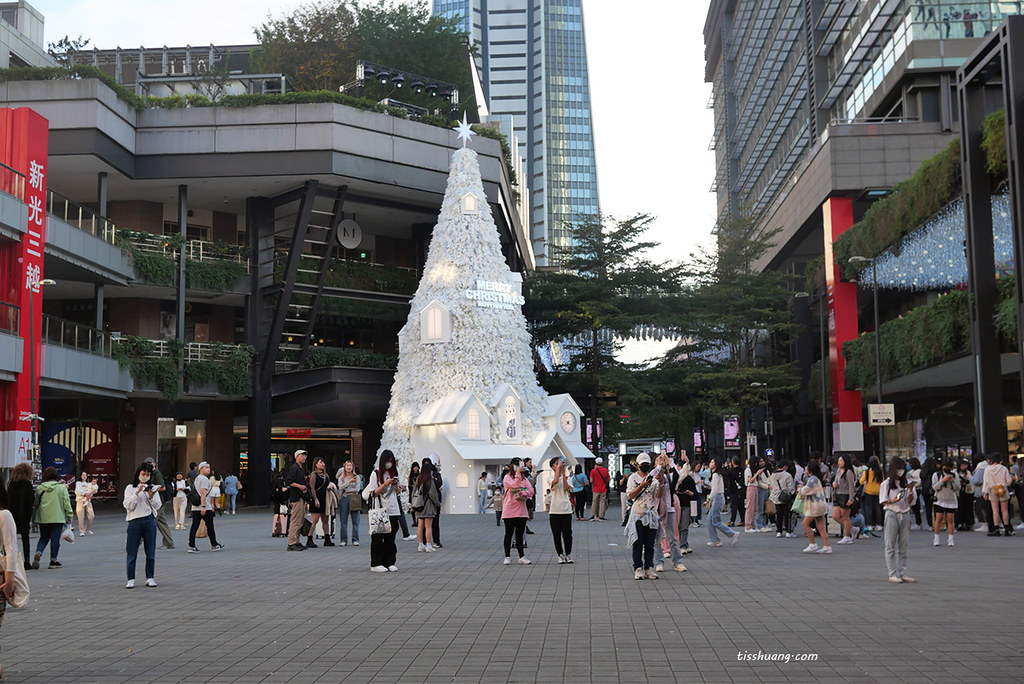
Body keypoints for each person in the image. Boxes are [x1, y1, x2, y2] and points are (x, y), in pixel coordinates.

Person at [363, 450, 403, 572]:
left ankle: (390, 561)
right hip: (380, 510)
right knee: (378, 538)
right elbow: (373, 493)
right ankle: (376, 563)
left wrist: (396, 486)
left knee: (391, 538)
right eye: (387, 461)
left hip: (393, 510)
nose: (389, 464)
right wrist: (385, 484)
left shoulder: (394, 473)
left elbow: (397, 493)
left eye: (391, 462)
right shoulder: (375, 474)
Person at [625, 453, 663, 579]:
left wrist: (661, 483)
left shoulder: (654, 478)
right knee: (638, 542)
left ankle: (649, 567)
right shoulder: (633, 478)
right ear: (638, 465)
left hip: (651, 514)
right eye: (643, 465)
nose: (645, 466)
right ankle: (638, 568)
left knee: (649, 543)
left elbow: (658, 495)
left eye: (647, 464)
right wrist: (641, 486)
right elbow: (630, 495)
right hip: (638, 514)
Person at [123, 462, 161, 588]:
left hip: (149, 519)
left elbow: (158, 505)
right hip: (134, 520)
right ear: (138, 474)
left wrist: (151, 496)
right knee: (132, 550)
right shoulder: (130, 488)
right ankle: (131, 578)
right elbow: (128, 506)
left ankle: (150, 577)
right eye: (143, 474)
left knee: (150, 550)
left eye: (148, 474)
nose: (145, 476)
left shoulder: (152, 488)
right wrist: (137, 493)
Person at [880, 456, 917, 583]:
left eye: (903, 469)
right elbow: (884, 501)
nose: (901, 472)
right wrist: (894, 500)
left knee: (903, 544)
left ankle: (903, 572)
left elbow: (911, 502)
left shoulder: (906, 483)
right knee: (890, 544)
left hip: (905, 513)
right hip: (892, 512)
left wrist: (911, 491)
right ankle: (892, 573)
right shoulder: (886, 484)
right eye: (899, 469)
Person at [31, 467, 72, 569]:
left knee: (44, 537)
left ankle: (39, 552)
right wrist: (69, 515)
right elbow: (66, 503)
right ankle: (53, 560)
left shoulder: (40, 488)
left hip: (43, 517)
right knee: (55, 539)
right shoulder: (62, 488)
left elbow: (35, 503)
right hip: (57, 517)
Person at [501, 457, 534, 565]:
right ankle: (507, 556)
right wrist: (518, 475)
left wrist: (522, 492)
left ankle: (522, 556)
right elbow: (515, 485)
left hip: (521, 510)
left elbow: (530, 490)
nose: (519, 468)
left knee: (520, 534)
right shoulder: (507, 478)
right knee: (509, 533)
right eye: (517, 465)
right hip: (509, 509)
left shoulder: (524, 479)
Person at [187, 462, 224, 553]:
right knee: (210, 526)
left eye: (209, 467)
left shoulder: (197, 479)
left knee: (194, 526)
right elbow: (203, 493)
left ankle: (191, 545)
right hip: (204, 507)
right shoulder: (204, 479)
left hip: (195, 507)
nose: (208, 469)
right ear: (201, 469)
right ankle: (214, 544)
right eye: (206, 467)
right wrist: (203, 506)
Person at [705, 457, 740, 547]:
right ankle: (715, 540)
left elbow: (715, 489)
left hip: (718, 498)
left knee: (715, 520)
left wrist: (709, 499)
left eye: (712, 462)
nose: (710, 463)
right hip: (718, 497)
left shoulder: (716, 475)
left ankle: (732, 534)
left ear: (715, 465)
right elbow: (715, 487)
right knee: (710, 519)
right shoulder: (717, 474)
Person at [798, 461, 831, 554]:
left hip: (814, 506)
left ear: (810, 469)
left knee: (805, 524)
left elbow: (805, 490)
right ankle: (826, 546)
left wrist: (799, 489)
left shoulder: (812, 479)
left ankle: (813, 544)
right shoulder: (817, 478)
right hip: (821, 505)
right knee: (821, 527)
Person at [547, 457, 574, 564]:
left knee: (568, 534)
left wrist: (563, 474)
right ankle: (560, 555)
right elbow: (554, 482)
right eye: (557, 463)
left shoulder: (567, 477)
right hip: (554, 510)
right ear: (553, 466)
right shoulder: (550, 477)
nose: (560, 464)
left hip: (566, 510)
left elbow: (566, 488)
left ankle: (568, 554)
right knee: (556, 534)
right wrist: (558, 471)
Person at [7, 463, 34, 569]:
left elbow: (8, 500)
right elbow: (30, 501)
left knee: (10, 541)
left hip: (12, 516)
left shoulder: (11, 484)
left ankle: (10, 561)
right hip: (24, 516)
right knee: (25, 539)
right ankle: (26, 561)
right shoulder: (27, 485)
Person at [144, 458, 174, 550]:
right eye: (147, 463)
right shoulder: (148, 474)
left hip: (158, 501)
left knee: (150, 521)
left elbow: (163, 487)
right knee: (162, 522)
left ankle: (137, 541)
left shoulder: (157, 474)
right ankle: (169, 542)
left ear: (155, 464)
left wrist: (153, 489)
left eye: (151, 463)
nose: (149, 465)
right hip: (154, 501)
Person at [982, 452, 1015, 537]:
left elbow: (986, 482)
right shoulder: (1004, 468)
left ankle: (996, 529)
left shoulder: (988, 469)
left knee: (995, 510)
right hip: (1002, 489)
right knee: (1004, 510)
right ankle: (1007, 528)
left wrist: (985, 492)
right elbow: (1009, 481)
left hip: (993, 490)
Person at [306, 457, 335, 548]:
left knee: (325, 520)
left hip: (325, 499)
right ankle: (309, 538)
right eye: (320, 462)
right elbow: (312, 488)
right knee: (315, 520)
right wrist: (315, 499)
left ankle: (327, 538)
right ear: (316, 464)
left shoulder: (326, 475)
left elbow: (328, 484)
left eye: (323, 462)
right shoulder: (313, 475)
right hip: (317, 499)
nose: (322, 464)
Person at [931, 458, 960, 547]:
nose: (948, 469)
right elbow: (934, 487)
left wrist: (952, 481)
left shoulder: (955, 475)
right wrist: (942, 481)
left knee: (950, 519)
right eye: (946, 467)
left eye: (950, 468)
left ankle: (950, 539)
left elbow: (958, 488)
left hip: (951, 499)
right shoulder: (937, 474)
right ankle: (936, 538)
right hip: (940, 499)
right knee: (938, 519)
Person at [414, 459, 441, 552]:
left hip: (419, 505)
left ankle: (420, 544)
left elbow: (414, 492)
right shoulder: (429, 481)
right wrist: (437, 503)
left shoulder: (418, 479)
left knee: (420, 526)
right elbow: (433, 494)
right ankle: (429, 545)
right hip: (428, 506)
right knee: (428, 526)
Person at [335, 460, 361, 547]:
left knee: (355, 521)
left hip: (354, 498)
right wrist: (349, 482)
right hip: (344, 498)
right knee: (343, 521)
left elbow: (357, 489)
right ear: (344, 467)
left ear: (353, 467)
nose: (349, 467)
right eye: (347, 466)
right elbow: (340, 487)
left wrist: (346, 489)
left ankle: (355, 539)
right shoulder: (341, 477)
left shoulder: (356, 477)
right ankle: (343, 540)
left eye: (350, 466)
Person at [831, 455, 856, 544]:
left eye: (841, 460)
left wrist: (851, 498)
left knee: (845, 517)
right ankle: (851, 528)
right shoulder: (838, 470)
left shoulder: (848, 472)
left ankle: (847, 536)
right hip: (837, 495)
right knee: (835, 516)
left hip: (845, 495)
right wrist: (834, 484)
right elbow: (835, 481)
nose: (839, 462)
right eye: (838, 460)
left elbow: (851, 486)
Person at [769, 460, 796, 538]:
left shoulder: (772, 475)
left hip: (776, 496)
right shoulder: (787, 475)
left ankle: (779, 531)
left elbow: (771, 486)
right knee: (787, 514)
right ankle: (788, 531)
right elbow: (791, 487)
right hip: (785, 496)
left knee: (779, 514)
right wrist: (792, 493)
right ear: (784, 466)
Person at [674, 465, 696, 554]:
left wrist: (690, 493)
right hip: (676, 504)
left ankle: (683, 545)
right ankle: (682, 544)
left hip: (686, 504)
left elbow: (695, 494)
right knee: (678, 526)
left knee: (684, 526)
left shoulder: (689, 480)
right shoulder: (675, 479)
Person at [859, 456, 884, 531]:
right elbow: (883, 481)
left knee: (868, 508)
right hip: (878, 491)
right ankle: (879, 524)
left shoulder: (867, 471)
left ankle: (869, 524)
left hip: (869, 491)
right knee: (878, 508)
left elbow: (861, 481)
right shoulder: (880, 471)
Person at [427, 455, 444, 546]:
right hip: (426, 503)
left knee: (435, 522)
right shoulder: (423, 476)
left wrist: (433, 478)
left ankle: (436, 540)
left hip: (435, 502)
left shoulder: (437, 475)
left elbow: (439, 484)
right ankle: (425, 540)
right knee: (426, 522)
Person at [74, 472, 97, 536]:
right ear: (80, 476)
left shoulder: (88, 484)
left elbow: (91, 491)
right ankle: (81, 531)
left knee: (91, 515)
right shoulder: (78, 483)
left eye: (85, 475)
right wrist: (84, 494)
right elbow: (77, 491)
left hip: (87, 501)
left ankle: (87, 529)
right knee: (80, 516)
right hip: (80, 501)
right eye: (83, 475)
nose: (84, 476)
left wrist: (90, 494)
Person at [588, 457, 610, 521]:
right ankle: (601, 516)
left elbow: (591, 480)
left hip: (595, 488)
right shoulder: (605, 470)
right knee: (602, 502)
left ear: (596, 463)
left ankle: (592, 515)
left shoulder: (593, 471)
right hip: (603, 489)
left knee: (594, 502)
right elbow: (608, 479)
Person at [955, 459, 975, 531]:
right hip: (959, 493)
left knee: (968, 509)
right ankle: (960, 523)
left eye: (965, 465)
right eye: (962, 465)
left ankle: (968, 523)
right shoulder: (955, 473)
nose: (964, 467)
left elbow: (971, 481)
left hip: (968, 492)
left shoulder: (968, 472)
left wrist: (967, 480)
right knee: (959, 509)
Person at [908, 458, 923, 529]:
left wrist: (913, 484)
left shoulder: (919, 471)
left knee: (916, 506)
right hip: (910, 489)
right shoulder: (910, 472)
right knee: (913, 507)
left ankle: (918, 522)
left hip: (916, 489)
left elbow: (919, 482)